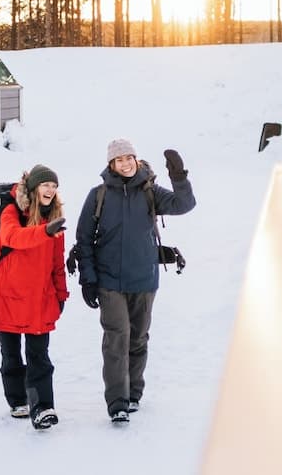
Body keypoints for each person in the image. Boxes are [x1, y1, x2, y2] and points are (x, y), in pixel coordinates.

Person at [75, 139, 196, 422]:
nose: (126, 163)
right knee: (117, 339)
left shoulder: (150, 191)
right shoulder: (98, 195)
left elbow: (185, 204)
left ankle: (133, 394)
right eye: (119, 160)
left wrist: (179, 177)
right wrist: (88, 279)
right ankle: (117, 401)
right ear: (111, 165)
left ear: (136, 160)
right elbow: (83, 240)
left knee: (138, 339)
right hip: (110, 281)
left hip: (144, 280)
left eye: (129, 158)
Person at [0, 164, 69, 430]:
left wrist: (61, 294)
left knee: (39, 356)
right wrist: (44, 232)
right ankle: (18, 400)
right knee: (11, 355)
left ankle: (43, 407)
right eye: (46, 185)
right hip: (7, 294)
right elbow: (12, 238)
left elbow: (57, 262)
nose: (50, 191)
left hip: (38, 298)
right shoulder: (11, 212)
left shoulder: (54, 217)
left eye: (54, 186)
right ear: (33, 188)